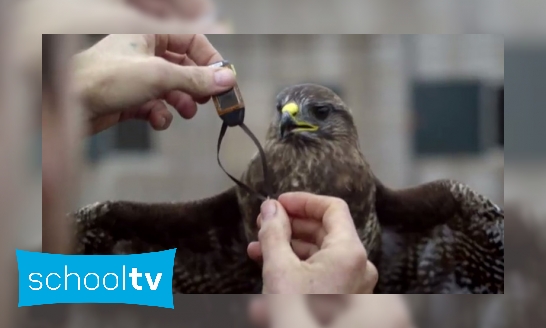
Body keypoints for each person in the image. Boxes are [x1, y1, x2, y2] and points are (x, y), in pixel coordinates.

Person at [40, 33, 411, 327]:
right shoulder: (204, 229)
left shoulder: (432, 219)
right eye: (284, 111)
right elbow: (35, 282)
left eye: (319, 113)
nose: (290, 117)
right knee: (85, 239)